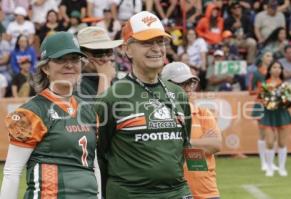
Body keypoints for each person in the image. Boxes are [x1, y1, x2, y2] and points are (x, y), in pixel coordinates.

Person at [96, 11, 192, 199]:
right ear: (127, 49)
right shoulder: (112, 98)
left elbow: (184, 143)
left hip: (178, 192)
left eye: (160, 41)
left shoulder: (178, 94)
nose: (156, 48)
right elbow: (99, 155)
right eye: (147, 42)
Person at [0, 32, 100, 199]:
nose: (69, 65)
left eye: (75, 59)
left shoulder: (88, 111)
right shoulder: (32, 112)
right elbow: (12, 172)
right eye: (61, 59)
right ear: (45, 67)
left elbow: (94, 166)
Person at [161, 61, 222, 199]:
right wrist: (200, 143)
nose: (188, 87)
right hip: (172, 192)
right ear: (165, 85)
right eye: (182, 83)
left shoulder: (203, 113)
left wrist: (180, 142)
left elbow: (215, 145)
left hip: (206, 191)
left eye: (190, 82)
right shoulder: (158, 116)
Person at [258, 60, 291, 177]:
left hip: (282, 114)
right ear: (269, 70)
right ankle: (269, 168)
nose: (277, 69)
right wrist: (268, 102)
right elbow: (260, 100)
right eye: (274, 67)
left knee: (282, 143)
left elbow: (289, 102)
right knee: (269, 142)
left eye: (279, 67)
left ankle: (282, 168)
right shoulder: (264, 84)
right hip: (268, 115)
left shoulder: (285, 85)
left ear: (281, 70)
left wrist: (287, 101)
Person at [249, 51, 278, 172]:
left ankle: (271, 162)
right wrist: (262, 91)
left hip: (273, 105)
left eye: (271, 55)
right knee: (263, 134)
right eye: (267, 55)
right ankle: (263, 163)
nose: (269, 57)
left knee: (274, 134)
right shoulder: (256, 73)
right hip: (261, 105)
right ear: (262, 58)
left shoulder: (277, 72)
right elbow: (250, 90)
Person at [76, 26, 123, 101]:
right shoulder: (75, 84)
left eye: (108, 52)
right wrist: (104, 78)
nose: (105, 58)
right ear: (81, 55)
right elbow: (101, 111)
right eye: (98, 52)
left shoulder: (115, 77)